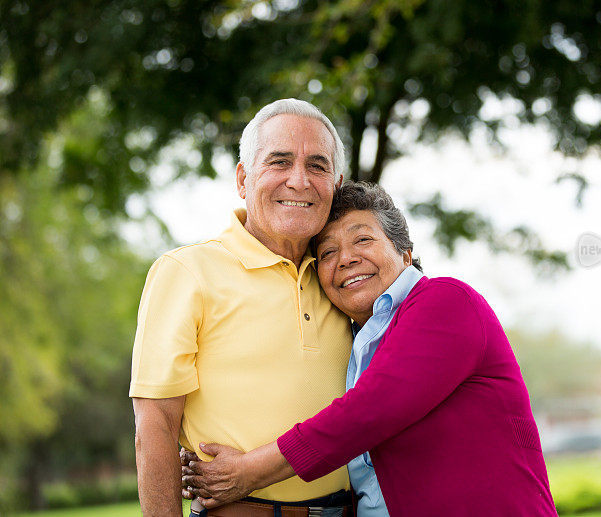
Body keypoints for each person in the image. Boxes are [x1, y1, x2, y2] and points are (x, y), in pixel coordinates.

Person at [182, 182, 558, 516]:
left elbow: (366, 412)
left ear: (405, 254)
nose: (345, 258)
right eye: (327, 253)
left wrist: (247, 471)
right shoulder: (354, 344)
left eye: (363, 240)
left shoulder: (446, 301)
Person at [129, 99, 357, 516]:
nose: (299, 181)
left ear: (337, 185)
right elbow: (155, 427)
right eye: (280, 161)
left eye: (318, 166)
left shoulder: (346, 280)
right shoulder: (186, 271)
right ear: (242, 178)